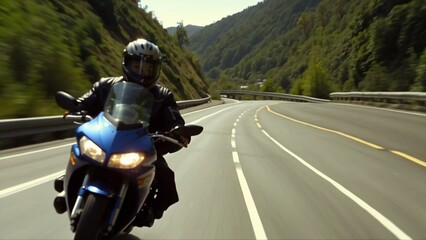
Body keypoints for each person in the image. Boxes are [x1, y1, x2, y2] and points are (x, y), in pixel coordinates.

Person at [75, 38, 188, 227]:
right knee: (79, 151)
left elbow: (175, 119)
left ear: (156, 69)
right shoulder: (106, 85)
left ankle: (151, 209)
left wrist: (178, 131)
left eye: (149, 68)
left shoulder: (163, 96)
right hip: (106, 140)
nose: (143, 72)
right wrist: (76, 106)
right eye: (137, 66)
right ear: (127, 64)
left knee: (166, 177)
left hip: (144, 148)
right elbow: (86, 101)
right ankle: (67, 186)